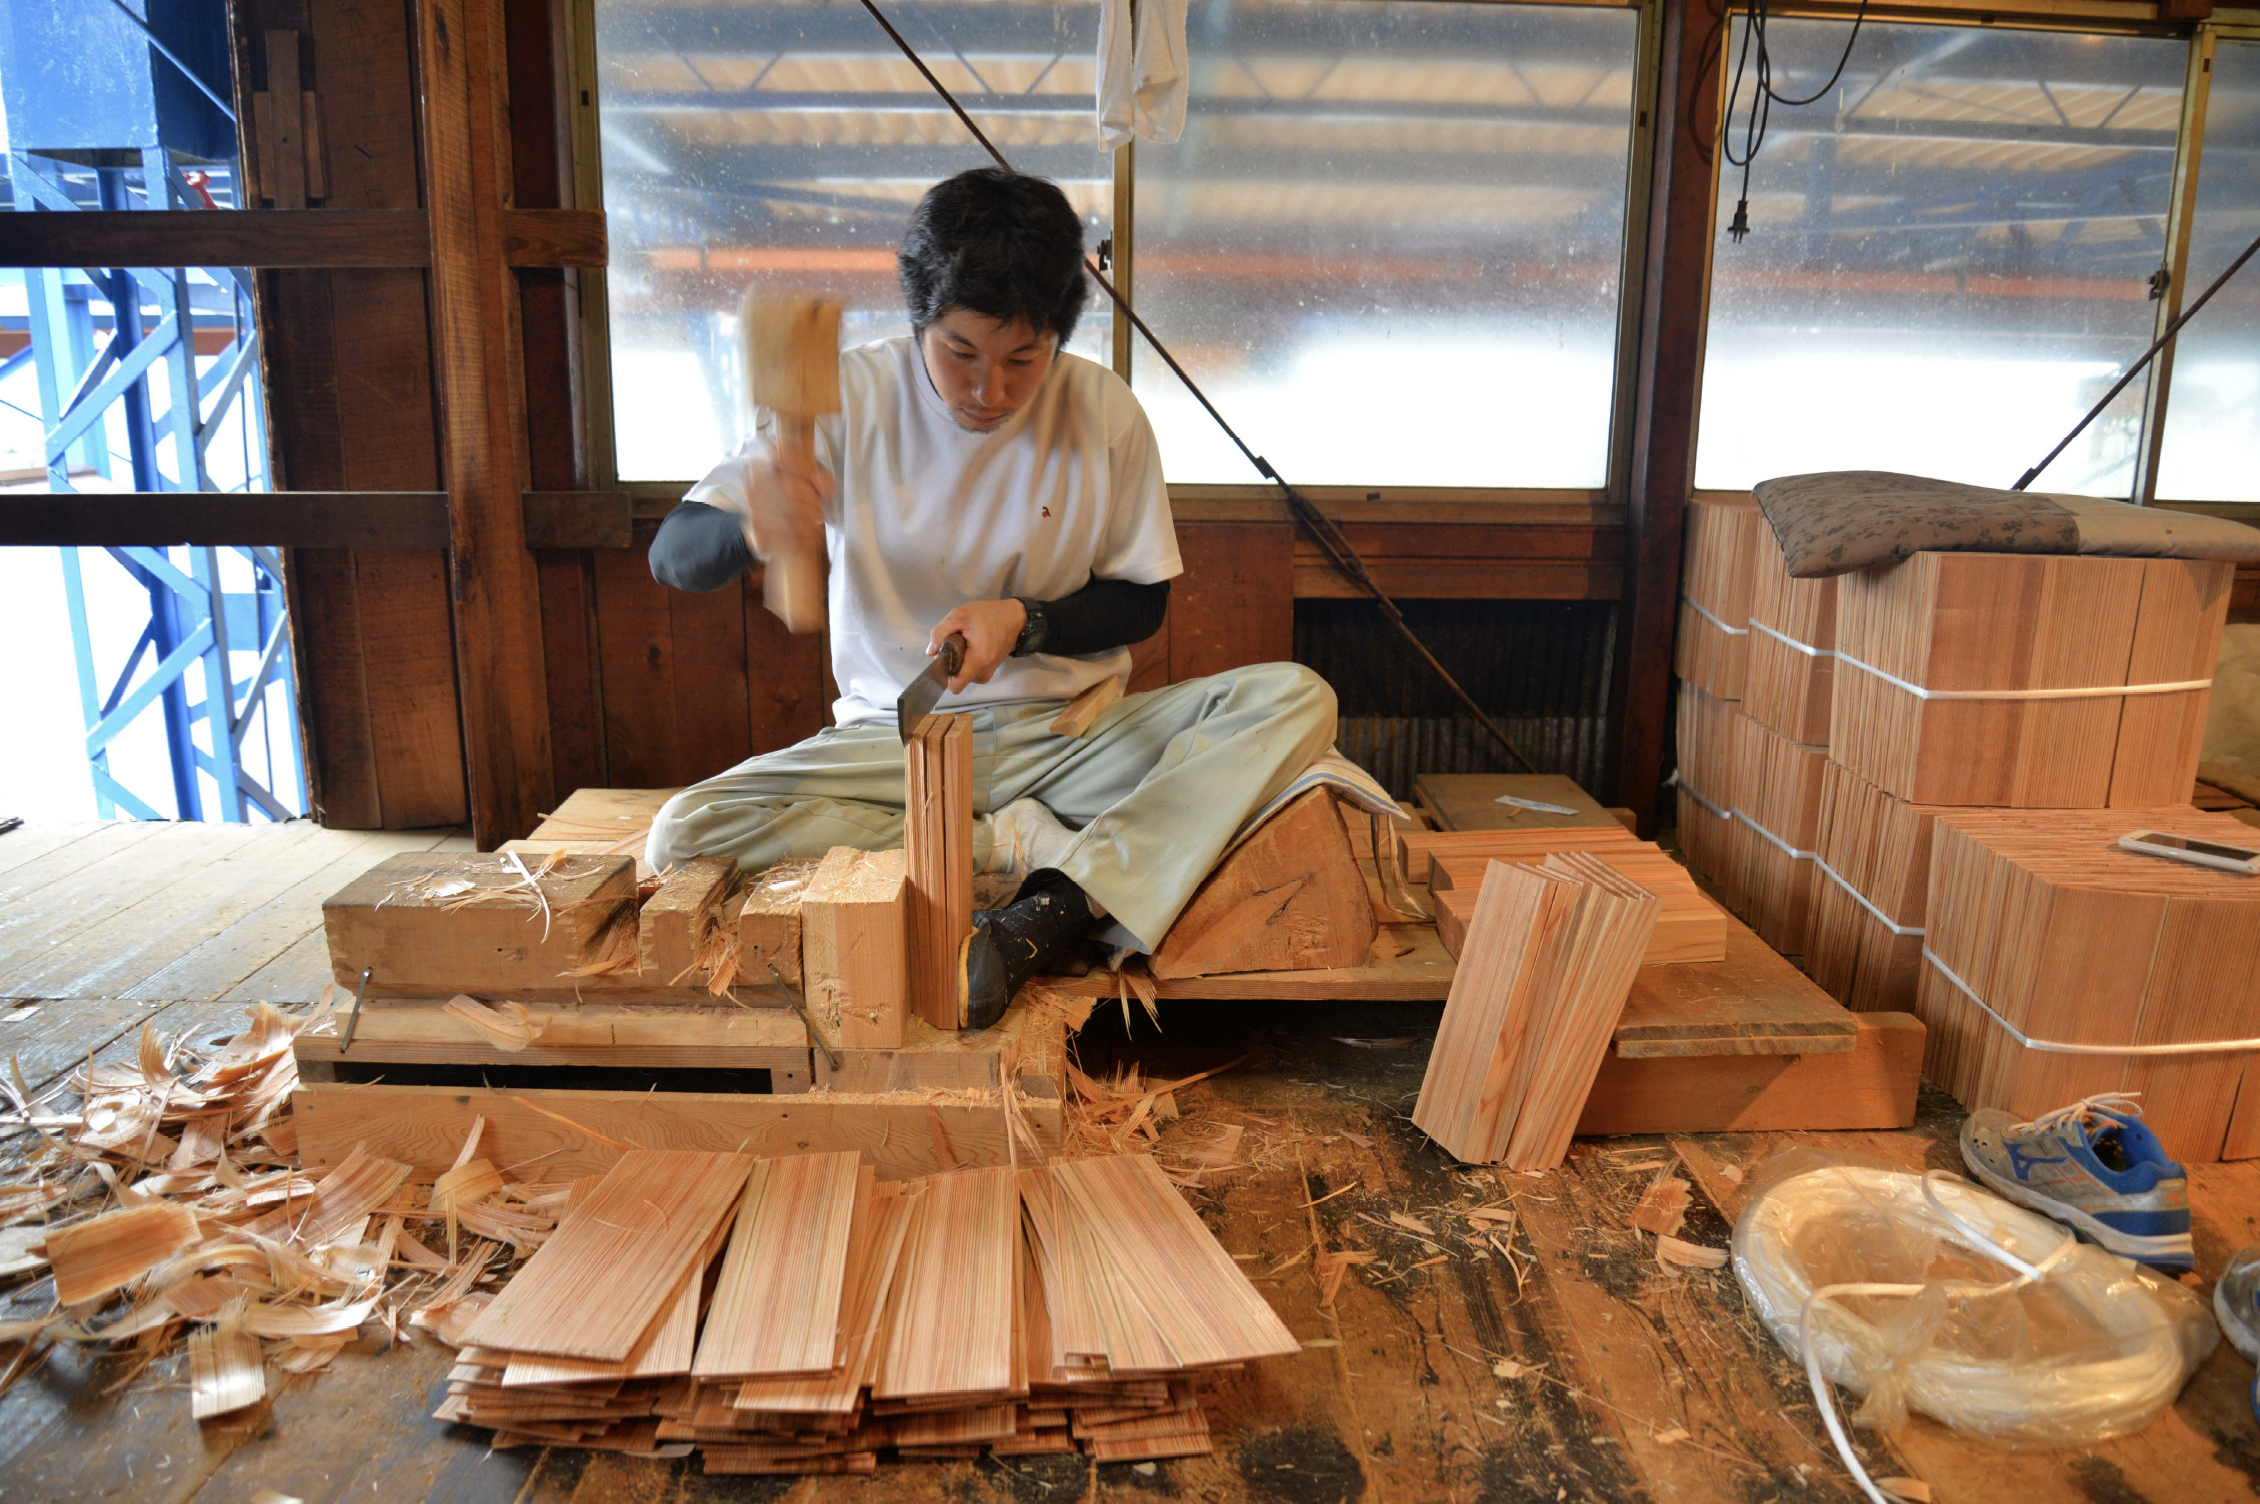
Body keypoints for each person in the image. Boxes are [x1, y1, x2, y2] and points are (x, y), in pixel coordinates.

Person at [645, 167, 1335, 1027]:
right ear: (918, 321)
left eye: (1023, 361)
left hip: (1071, 737)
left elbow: (1142, 604)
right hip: (894, 747)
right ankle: (1019, 851)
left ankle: (1047, 912)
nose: (990, 391)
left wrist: (1029, 620)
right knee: (685, 832)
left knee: (1294, 700)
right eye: (960, 354)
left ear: (1056, 339)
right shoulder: (848, 397)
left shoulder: (1105, 412)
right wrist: (754, 525)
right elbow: (675, 555)